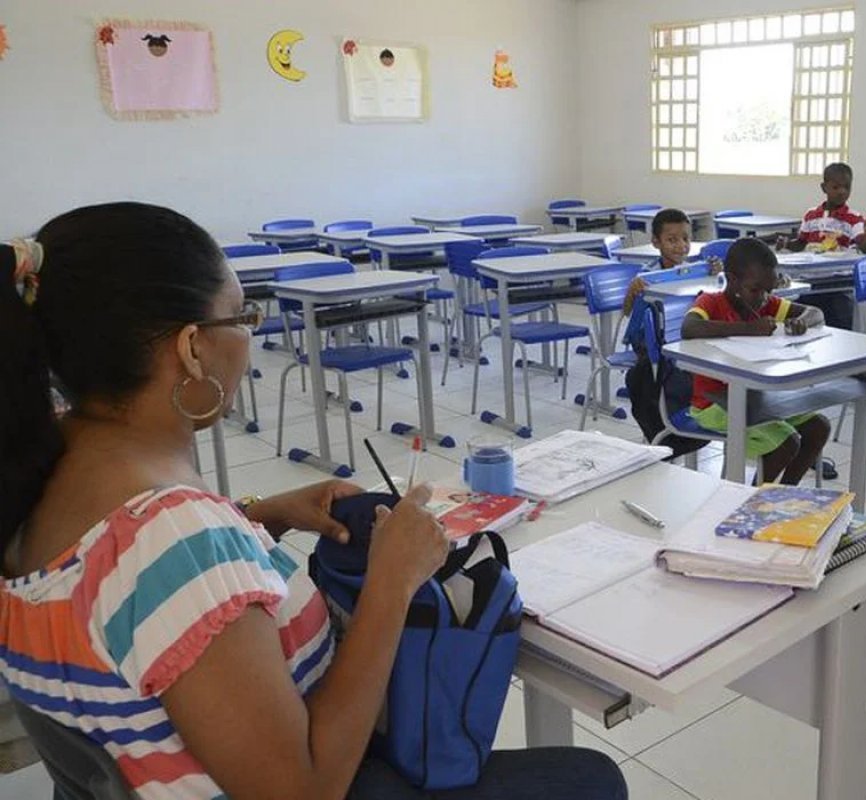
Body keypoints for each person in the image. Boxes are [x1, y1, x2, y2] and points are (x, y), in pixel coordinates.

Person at [0, 203, 627, 800]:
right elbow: (301, 790)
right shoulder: (175, 538)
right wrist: (391, 581)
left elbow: (114, 574)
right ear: (191, 349)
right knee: (590, 778)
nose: (250, 339)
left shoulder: (36, 469)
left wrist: (257, 516)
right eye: (242, 321)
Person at [680, 238, 831, 484]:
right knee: (786, 443)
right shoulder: (711, 302)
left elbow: (816, 313)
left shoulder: (766, 303)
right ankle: (751, 503)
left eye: (768, 290)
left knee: (818, 427)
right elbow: (689, 327)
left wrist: (801, 321)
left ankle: (782, 492)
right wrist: (748, 328)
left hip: (756, 398)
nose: (763, 298)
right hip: (713, 404)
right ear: (732, 279)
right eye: (755, 289)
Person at [777, 162, 866, 332]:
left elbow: (864, 247)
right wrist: (787, 244)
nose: (842, 192)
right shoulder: (811, 215)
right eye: (836, 187)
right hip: (809, 280)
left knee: (838, 322)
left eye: (846, 187)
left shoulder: (853, 218)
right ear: (824, 188)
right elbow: (801, 243)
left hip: (837, 282)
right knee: (802, 318)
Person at [622, 208, 719, 348]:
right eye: (672, 240)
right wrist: (632, 290)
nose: (681, 246)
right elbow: (627, 311)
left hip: (681, 333)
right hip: (649, 342)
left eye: (686, 239)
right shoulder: (647, 275)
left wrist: (714, 275)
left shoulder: (693, 271)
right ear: (656, 242)